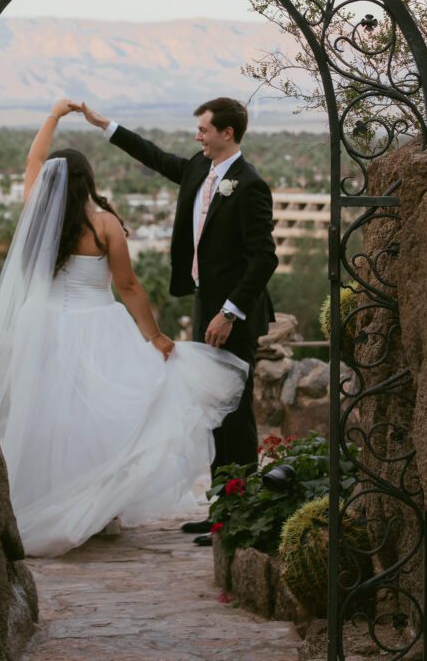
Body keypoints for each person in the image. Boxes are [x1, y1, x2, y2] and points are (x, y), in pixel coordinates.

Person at [0, 99, 250, 557]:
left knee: (47, 418)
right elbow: (129, 285)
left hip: (42, 328)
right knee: (100, 421)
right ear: (88, 182)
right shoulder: (104, 226)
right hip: (97, 328)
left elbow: (33, 160)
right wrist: (155, 336)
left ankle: (47, 502)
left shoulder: (36, 215)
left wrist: (55, 116)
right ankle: (99, 511)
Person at [80, 97, 278, 545]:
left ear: (228, 133)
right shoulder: (197, 169)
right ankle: (221, 511)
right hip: (205, 306)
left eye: (204, 129)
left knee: (236, 415)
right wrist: (106, 125)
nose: (198, 135)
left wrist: (230, 311)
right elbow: (153, 155)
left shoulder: (249, 185)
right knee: (214, 412)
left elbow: (264, 257)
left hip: (234, 315)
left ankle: (240, 517)